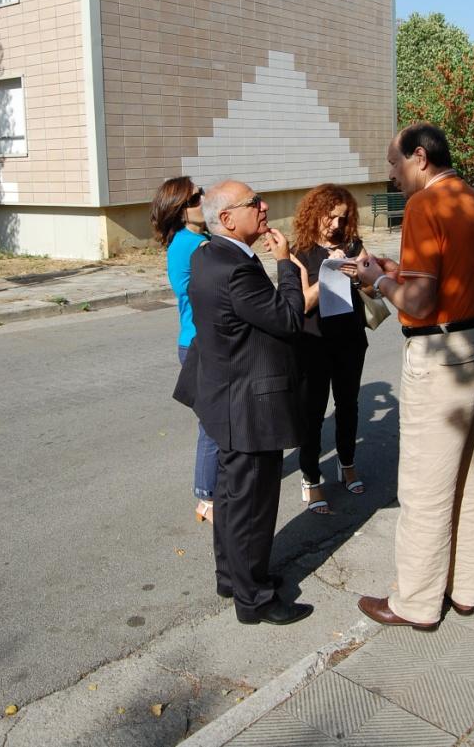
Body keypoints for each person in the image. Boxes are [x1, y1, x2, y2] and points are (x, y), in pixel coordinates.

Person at [355, 123, 474, 629]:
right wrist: (397, 269)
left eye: (394, 165)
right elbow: (448, 277)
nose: (391, 176)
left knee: (425, 483)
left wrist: (376, 280)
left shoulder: (423, 206)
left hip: (444, 354)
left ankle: (416, 603)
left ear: (419, 158)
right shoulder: (473, 199)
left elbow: (419, 301)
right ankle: (464, 588)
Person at [173, 180, 313, 626]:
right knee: (251, 504)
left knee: (231, 498)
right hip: (247, 405)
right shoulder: (236, 269)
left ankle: (232, 577)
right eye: (255, 203)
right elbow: (289, 318)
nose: (265, 206)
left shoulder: (207, 255)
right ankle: (254, 599)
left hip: (225, 395)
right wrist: (287, 265)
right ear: (229, 219)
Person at [291, 184, 368, 514]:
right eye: (330, 217)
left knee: (348, 404)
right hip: (315, 341)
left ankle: (347, 463)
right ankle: (311, 477)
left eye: (342, 218)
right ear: (314, 213)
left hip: (350, 338)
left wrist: (360, 275)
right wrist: (330, 273)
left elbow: (373, 291)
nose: (336, 225)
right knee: (313, 412)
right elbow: (301, 303)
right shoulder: (299, 252)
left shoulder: (354, 245)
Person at [150, 176, 219, 525]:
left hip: (202, 340)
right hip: (197, 343)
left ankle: (217, 485)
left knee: (218, 419)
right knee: (211, 424)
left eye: (202, 192)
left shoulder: (199, 239)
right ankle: (206, 497)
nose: (202, 199)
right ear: (179, 210)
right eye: (195, 198)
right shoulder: (189, 246)